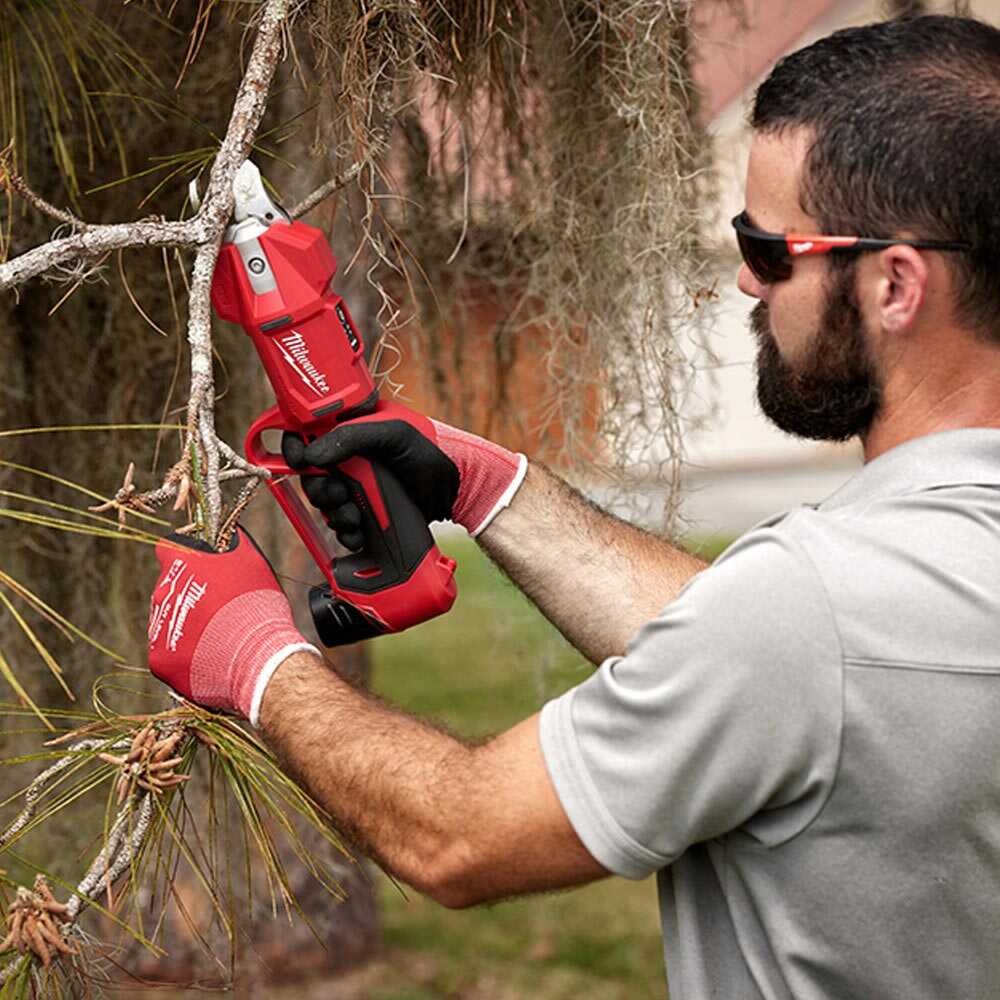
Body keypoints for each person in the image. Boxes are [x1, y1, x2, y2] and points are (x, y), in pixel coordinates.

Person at [148, 15, 1000, 998]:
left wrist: (251, 658)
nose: (741, 279)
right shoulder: (893, 592)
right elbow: (804, 670)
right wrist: (490, 489)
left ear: (895, 285)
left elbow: (457, 834)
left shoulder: (813, 617)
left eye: (767, 248)